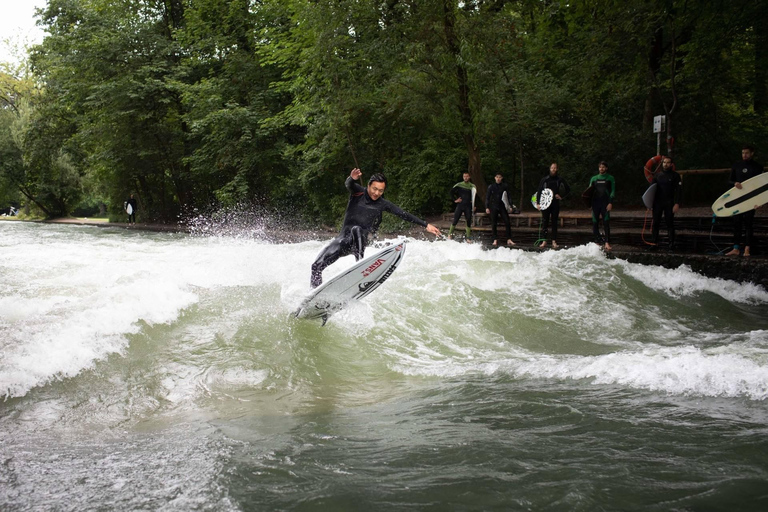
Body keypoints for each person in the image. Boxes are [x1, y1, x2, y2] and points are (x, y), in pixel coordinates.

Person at [310, 168, 441, 288]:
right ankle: (314, 295)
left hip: (359, 242)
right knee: (316, 266)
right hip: (343, 241)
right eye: (374, 189)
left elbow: (403, 214)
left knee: (357, 229)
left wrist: (425, 224)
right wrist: (352, 178)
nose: (377, 193)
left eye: (381, 190)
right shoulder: (358, 193)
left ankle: (360, 265)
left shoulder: (382, 204)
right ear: (368, 185)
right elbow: (348, 184)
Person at [725, 145, 763, 257]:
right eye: (742, 153)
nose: (744, 155)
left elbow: (760, 186)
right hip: (738, 199)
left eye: (746, 153)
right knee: (737, 223)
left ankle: (747, 249)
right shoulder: (737, 165)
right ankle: (736, 248)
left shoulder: (757, 167)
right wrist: (734, 184)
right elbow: (729, 181)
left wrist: (759, 201)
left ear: (752, 153)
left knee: (748, 224)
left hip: (751, 200)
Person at [650, 156, 682, 250]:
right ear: (662, 163)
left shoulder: (675, 175)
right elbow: (651, 190)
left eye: (668, 162)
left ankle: (671, 244)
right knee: (656, 223)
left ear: (671, 164)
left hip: (669, 202)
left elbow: (679, 191)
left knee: (670, 223)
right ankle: (654, 243)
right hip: (657, 203)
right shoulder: (657, 175)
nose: (666, 164)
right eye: (664, 162)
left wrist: (677, 203)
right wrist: (649, 204)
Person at [536, 163, 570, 248]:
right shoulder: (545, 179)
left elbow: (568, 189)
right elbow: (539, 191)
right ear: (550, 169)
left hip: (555, 203)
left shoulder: (559, 179)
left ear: (557, 169)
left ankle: (554, 241)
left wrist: (561, 196)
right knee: (545, 222)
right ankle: (544, 240)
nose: (553, 169)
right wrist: (538, 203)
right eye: (552, 168)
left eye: (555, 168)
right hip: (545, 204)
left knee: (554, 222)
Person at [589, 161, 616, 251]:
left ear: (606, 168)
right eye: (600, 167)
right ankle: (597, 241)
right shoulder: (594, 178)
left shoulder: (610, 178)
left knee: (606, 222)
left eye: (603, 167)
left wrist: (610, 202)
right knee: (595, 222)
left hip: (605, 203)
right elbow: (589, 192)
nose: (601, 169)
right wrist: (589, 203)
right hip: (595, 203)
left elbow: (612, 191)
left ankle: (607, 242)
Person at [485, 172, 515, 246]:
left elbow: (509, 197)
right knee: (494, 223)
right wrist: (487, 207)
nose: (498, 178)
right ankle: (494, 239)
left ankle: (509, 239)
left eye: (500, 177)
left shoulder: (504, 186)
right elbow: (487, 198)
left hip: (501, 205)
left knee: (507, 222)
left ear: (502, 178)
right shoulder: (491, 186)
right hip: (493, 205)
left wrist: (511, 206)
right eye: (497, 177)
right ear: (495, 178)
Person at [448, 172, 476, 242]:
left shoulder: (472, 186)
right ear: (463, 177)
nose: (465, 178)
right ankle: (450, 234)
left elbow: (475, 197)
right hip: (460, 205)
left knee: (468, 220)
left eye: (467, 176)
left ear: (469, 177)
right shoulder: (459, 185)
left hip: (468, 206)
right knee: (455, 219)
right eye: (464, 176)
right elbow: (451, 192)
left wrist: (474, 205)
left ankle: (468, 237)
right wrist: (455, 200)